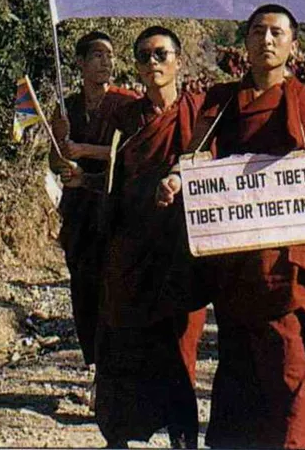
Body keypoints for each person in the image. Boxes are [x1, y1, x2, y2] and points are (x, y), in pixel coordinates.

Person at [162, 4, 305, 449]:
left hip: (288, 262)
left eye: (276, 33)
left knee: (290, 366)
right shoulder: (221, 101)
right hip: (236, 260)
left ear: (293, 46)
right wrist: (175, 179)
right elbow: (194, 158)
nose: (266, 40)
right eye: (257, 31)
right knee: (241, 362)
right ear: (244, 42)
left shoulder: (301, 102)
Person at [95, 26, 206, 449]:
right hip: (132, 250)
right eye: (144, 56)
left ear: (179, 60)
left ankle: (182, 438)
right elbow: (111, 180)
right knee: (125, 341)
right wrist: (79, 177)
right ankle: (120, 435)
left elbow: (212, 163)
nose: (153, 63)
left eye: (161, 54)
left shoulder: (200, 112)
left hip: (181, 253)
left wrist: (179, 177)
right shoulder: (125, 118)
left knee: (179, 348)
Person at [50, 31, 139, 370]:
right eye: (98, 55)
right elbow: (55, 161)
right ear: (80, 62)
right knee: (83, 290)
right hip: (79, 213)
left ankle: (116, 366)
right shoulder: (68, 107)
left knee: (114, 289)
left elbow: (133, 152)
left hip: (115, 210)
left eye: (109, 55)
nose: (106, 62)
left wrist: (85, 150)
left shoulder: (126, 104)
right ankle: (94, 364)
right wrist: (61, 145)